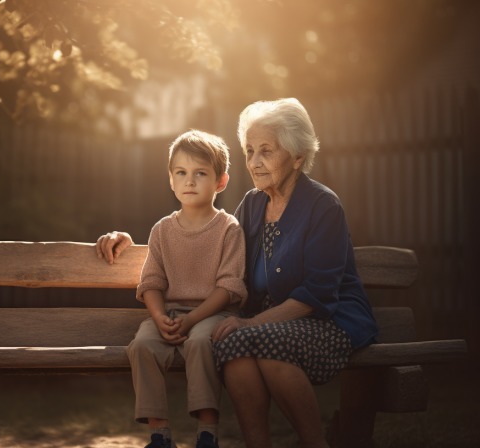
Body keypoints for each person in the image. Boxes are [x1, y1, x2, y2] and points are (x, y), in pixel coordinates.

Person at [96, 98, 378, 448]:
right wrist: (125, 238)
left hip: (327, 320)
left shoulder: (323, 206)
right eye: (249, 150)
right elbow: (203, 228)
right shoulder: (253, 204)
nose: (255, 162)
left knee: (262, 342)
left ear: (298, 156)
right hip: (266, 323)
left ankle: (314, 443)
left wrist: (251, 323)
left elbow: (318, 295)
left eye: (266, 151)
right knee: (235, 342)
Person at [97, 130, 248, 448]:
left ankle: (207, 433)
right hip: (170, 314)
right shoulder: (163, 230)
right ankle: (159, 435)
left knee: (199, 343)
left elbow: (228, 287)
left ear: (221, 182)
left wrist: (193, 320)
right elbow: (151, 283)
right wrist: (159, 316)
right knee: (142, 345)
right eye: (181, 173)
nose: (189, 181)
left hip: (213, 313)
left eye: (200, 173)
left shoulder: (228, 228)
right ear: (170, 180)